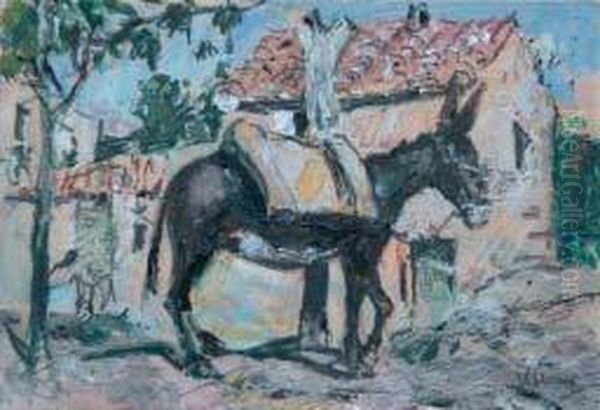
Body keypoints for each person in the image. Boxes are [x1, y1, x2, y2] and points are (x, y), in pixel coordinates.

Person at [296, 9, 379, 219]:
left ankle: (357, 206)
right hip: (320, 125)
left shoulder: (323, 51)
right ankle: (358, 207)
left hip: (323, 123)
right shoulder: (317, 51)